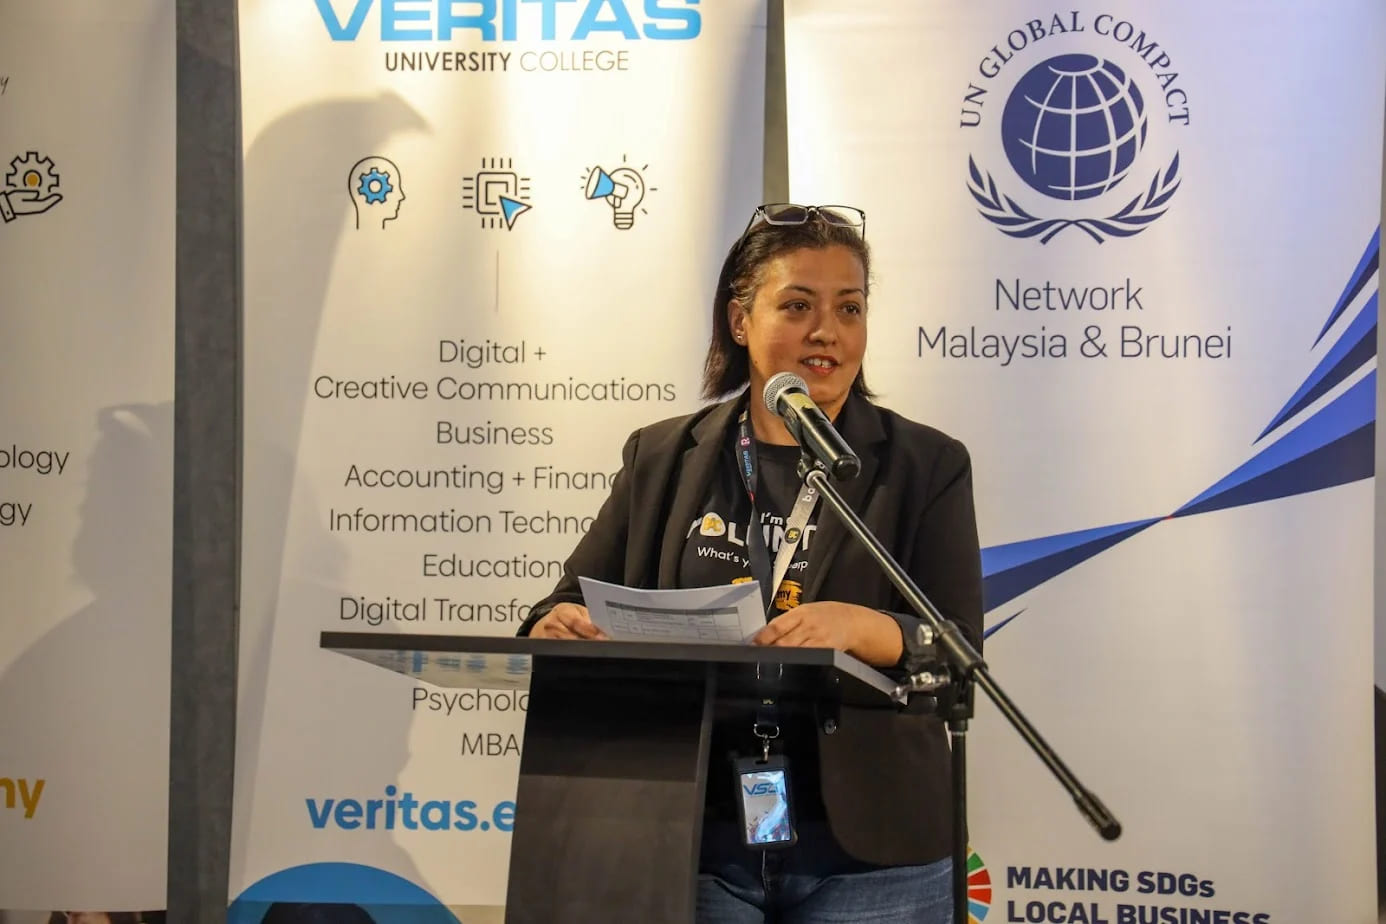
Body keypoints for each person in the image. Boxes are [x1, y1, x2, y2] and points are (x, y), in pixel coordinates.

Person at [517, 204, 983, 923]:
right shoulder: (663, 456)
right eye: (797, 305)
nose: (827, 331)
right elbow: (565, 600)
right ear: (740, 320)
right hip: (693, 834)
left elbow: (957, 647)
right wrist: (558, 624)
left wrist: (860, 627)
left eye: (849, 307)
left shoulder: (925, 464)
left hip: (873, 850)